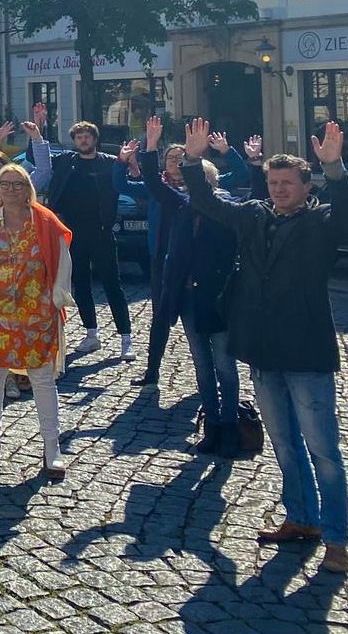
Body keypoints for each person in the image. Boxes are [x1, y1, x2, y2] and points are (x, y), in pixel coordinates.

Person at [181, 118, 348, 574]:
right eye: (273, 182)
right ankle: (301, 517)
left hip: (306, 352)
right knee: (283, 442)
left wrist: (334, 168)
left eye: (287, 183)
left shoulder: (320, 222)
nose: (279, 189)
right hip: (262, 350)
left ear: (305, 186)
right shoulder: (254, 215)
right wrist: (193, 160)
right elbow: (205, 201)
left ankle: (337, 538)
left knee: (323, 450)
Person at [0, 163, 74, 481]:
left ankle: (52, 447)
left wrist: (57, 299)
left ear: (28, 189)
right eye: (5, 184)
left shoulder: (45, 221)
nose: (11, 189)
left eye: (18, 184)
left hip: (37, 311)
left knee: (42, 378)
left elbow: (62, 261)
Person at [132, 118, 239, 455]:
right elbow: (153, 183)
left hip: (219, 300)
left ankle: (231, 427)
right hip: (189, 297)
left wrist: (237, 155)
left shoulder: (228, 209)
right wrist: (151, 147)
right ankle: (213, 426)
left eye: (199, 178)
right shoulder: (181, 204)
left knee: (225, 367)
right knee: (203, 367)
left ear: (211, 181)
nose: (193, 184)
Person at [115, 130, 250, 388]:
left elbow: (241, 175)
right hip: (163, 258)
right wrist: (124, 160)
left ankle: (214, 380)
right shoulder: (160, 188)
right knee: (160, 316)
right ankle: (152, 370)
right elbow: (122, 185)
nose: (176, 162)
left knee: (206, 321)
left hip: (198, 262)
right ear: (164, 163)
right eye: (171, 158)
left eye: (181, 157)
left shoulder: (206, 185)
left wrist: (226, 151)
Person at [39, 119, 131, 358]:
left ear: (95, 139)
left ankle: (126, 338)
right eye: (79, 137)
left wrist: (126, 161)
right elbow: (37, 157)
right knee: (80, 284)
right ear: (74, 140)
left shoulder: (109, 162)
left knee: (112, 284)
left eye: (87, 136)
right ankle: (91, 334)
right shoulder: (65, 161)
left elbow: (128, 179)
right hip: (72, 233)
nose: (83, 140)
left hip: (102, 233)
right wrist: (39, 129)